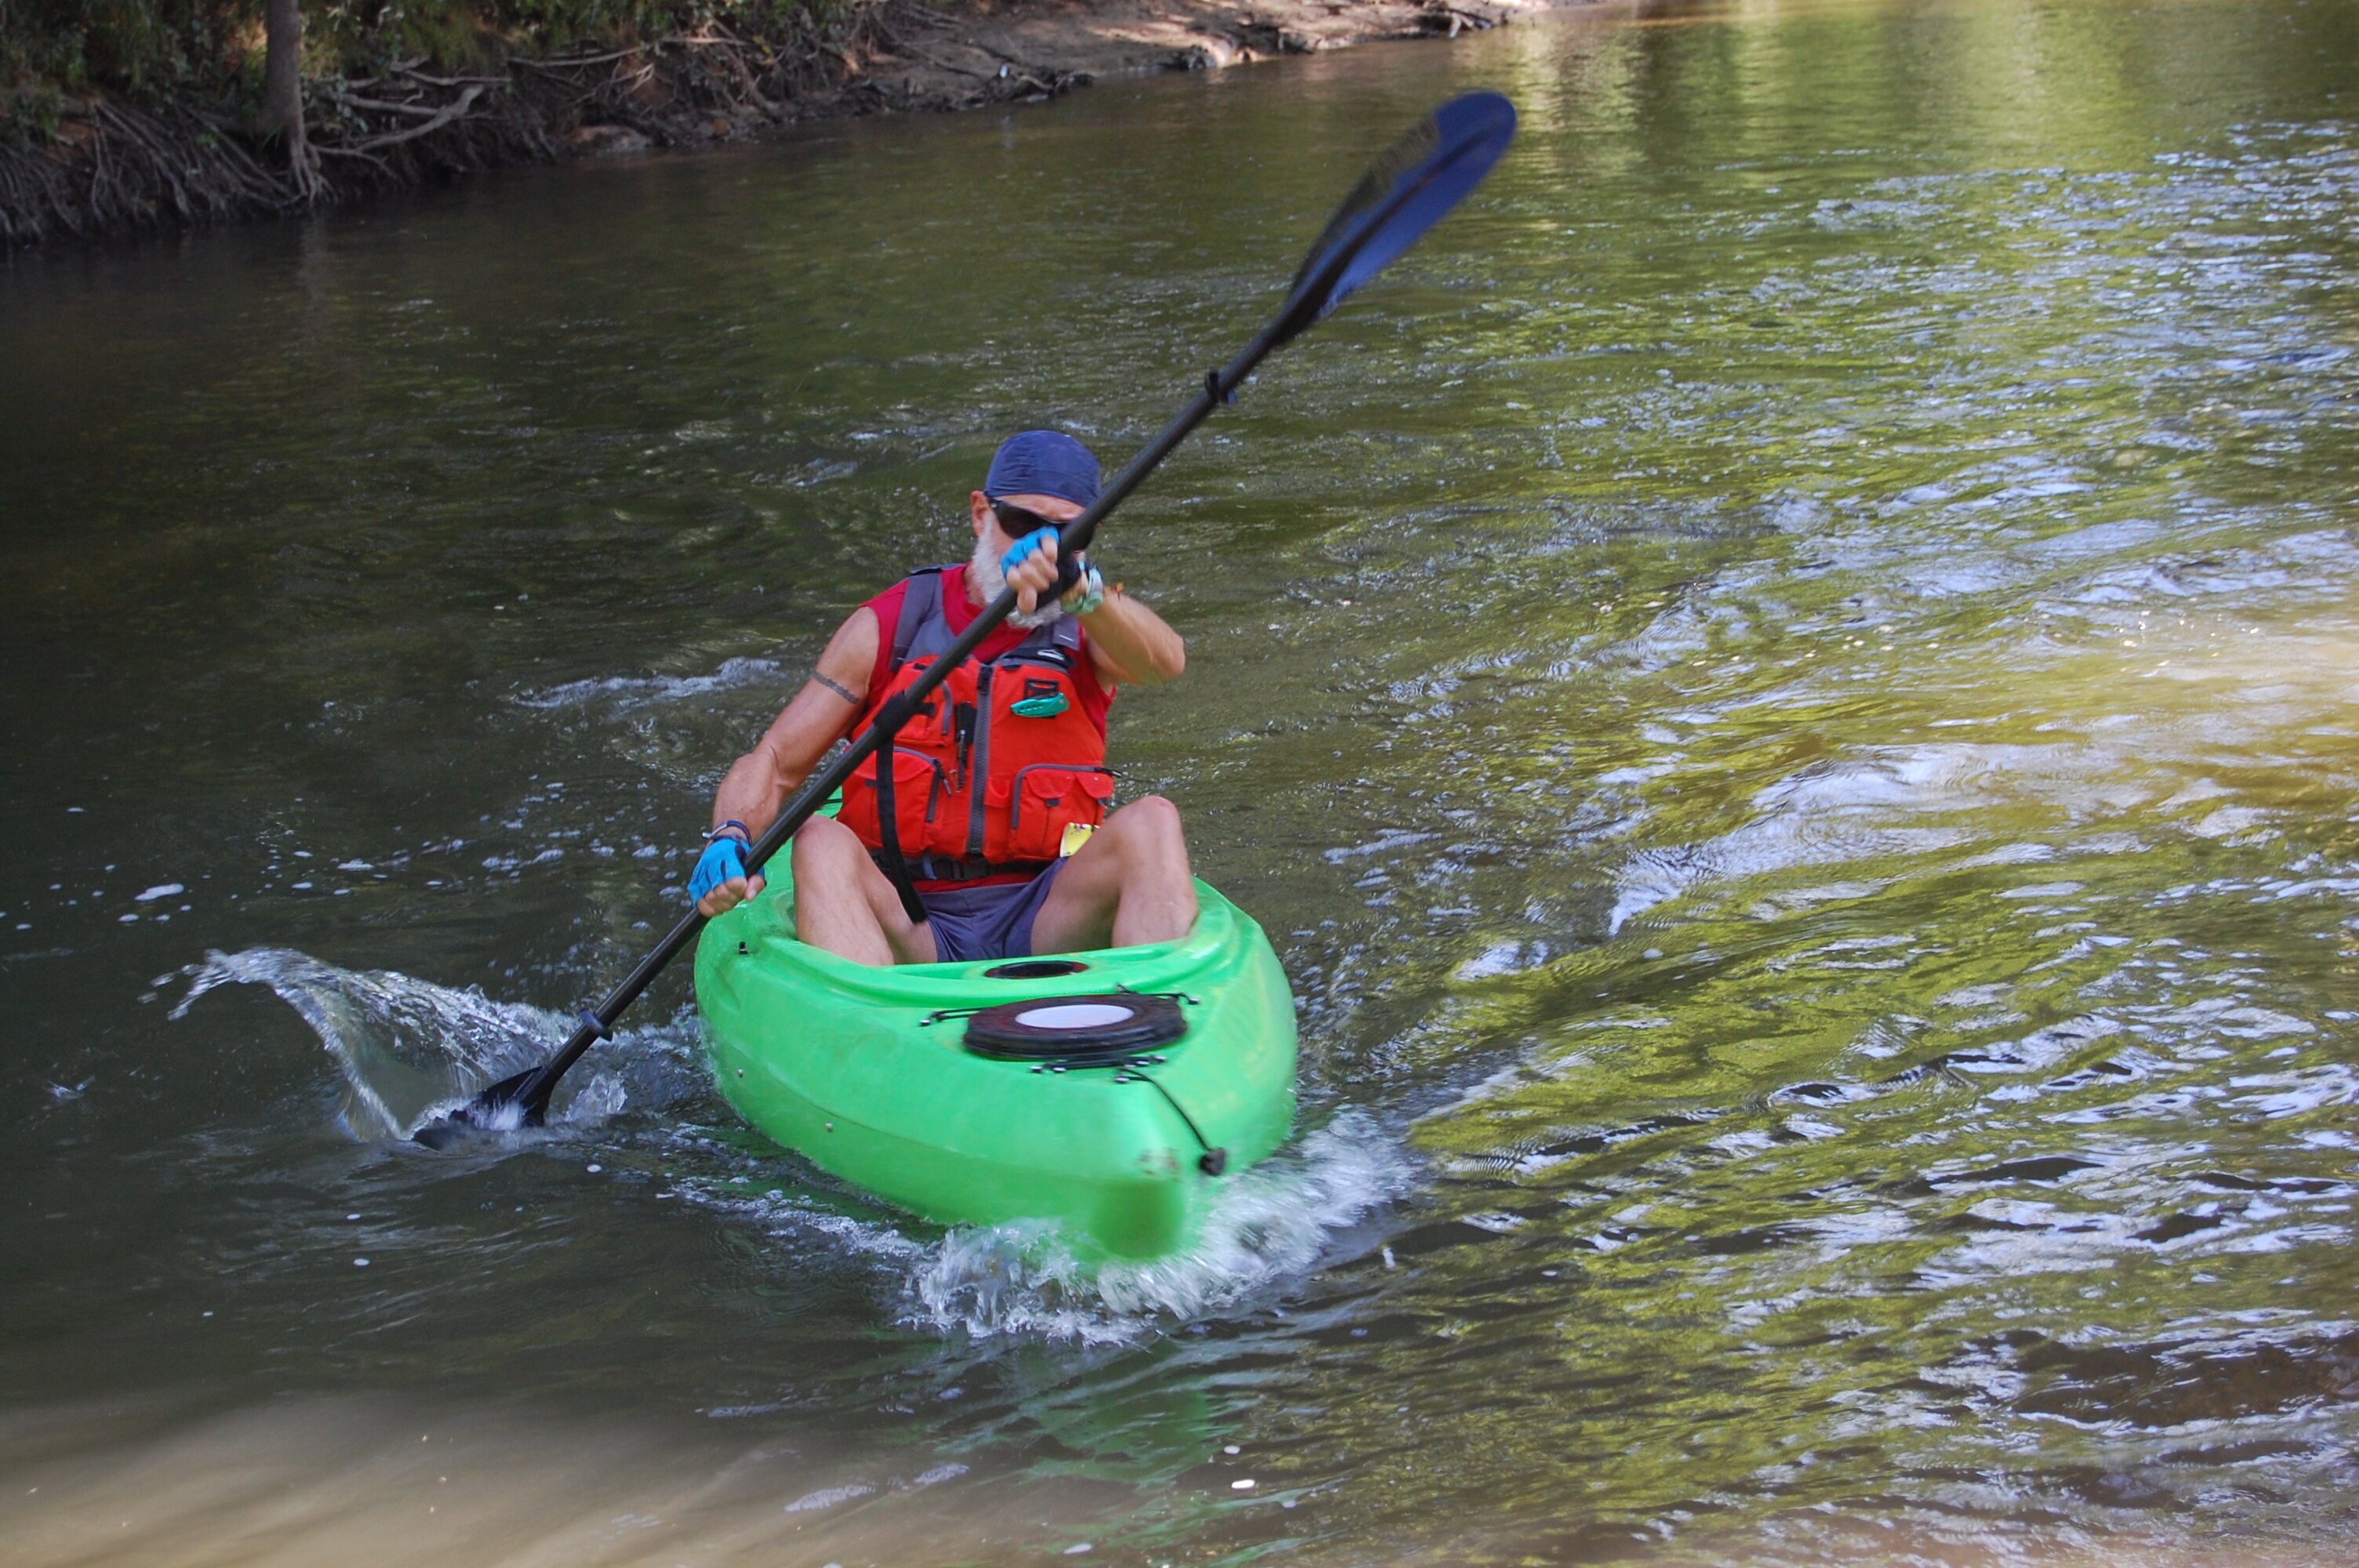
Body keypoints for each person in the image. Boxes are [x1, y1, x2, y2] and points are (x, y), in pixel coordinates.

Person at [685, 430, 1196, 966]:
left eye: (1069, 533)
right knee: (816, 838)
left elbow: (1165, 664)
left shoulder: (1092, 622)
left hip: (1045, 912)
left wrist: (1080, 588)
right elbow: (776, 760)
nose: (1044, 549)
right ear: (981, 514)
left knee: (1154, 820)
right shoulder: (892, 626)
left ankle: (1157, 1019)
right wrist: (731, 834)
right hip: (911, 919)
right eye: (1022, 524)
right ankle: (873, 1026)